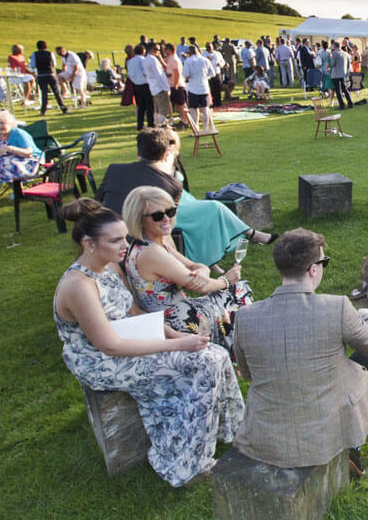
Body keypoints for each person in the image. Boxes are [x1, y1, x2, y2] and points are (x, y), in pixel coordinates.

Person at [52, 198, 243, 487]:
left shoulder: (109, 266)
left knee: (213, 352)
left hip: (129, 337)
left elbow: (134, 312)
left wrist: (175, 334)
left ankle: (228, 429)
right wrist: (175, 346)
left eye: (123, 238)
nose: (122, 246)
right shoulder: (79, 285)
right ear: (89, 244)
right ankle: (185, 463)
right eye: (114, 240)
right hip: (99, 359)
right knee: (205, 361)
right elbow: (109, 346)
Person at [233, 228, 368, 471]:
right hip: (325, 441)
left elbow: (248, 373)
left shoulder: (244, 317)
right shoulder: (338, 307)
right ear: (313, 269)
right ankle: (352, 448)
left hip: (264, 440)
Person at [95, 127, 277, 265]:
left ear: (138, 152)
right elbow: (167, 224)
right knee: (212, 209)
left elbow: (98, 200)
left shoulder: (114, 170)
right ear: (166, 154)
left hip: (106, 234)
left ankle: (248, 236)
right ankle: (235, 241)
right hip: (140, 241)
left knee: (211, 209)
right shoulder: (171, 183)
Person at [120, 186, 254, 351]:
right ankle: (242, 348)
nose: (166, 219)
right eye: (157, 216)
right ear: (139, 219)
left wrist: (202, 271)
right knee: (238, 289)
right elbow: (199, 286)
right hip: (175, 321)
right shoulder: (151, 253)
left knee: (235, 291)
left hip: (177, 310)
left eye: (170, 211)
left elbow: (193, 266)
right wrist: (226, 280)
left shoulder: (154, 243)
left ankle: (239, 346)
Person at [0, 109, 42, 184]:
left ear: (10, 124)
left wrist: (10, 148)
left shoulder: (19, 134)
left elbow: (29, 153)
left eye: (2, 123)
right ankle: (15, 189)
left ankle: (17, 189)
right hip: (4, 161)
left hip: (27, 160)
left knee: (6, 164)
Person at [30, 40, 68, 115]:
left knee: (44, 94)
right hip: (51, 74)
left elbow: (33, 65)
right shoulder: (50, 53)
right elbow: (54, 64)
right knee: (57, 92)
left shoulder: (34, 54)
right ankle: (63, 108)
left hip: (41, 75)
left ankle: (43, 110)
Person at [182, 47, 215, 132]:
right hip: (204, 87)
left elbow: (186, 74)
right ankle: (205, 128)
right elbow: (212, 73)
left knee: (193, 110)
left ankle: (196, 128)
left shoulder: (188, 61)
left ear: (190, 53)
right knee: (205, 109)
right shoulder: (205, 60)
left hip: (193, 88)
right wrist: (205, 77)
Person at [127, 43, 155, 130]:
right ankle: (150, 123)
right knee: (150, 106)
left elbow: (129, 74)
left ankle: (140, 124)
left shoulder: (130, 61)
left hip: (136, 84)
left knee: (141, 106)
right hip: (145, 84)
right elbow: (145, 72)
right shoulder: (143, 60)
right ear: (143, 52)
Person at [143, 42, 170, 126]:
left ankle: (160, 124)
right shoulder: (153, 60)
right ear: (151, 49)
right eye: (157, 50)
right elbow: (159, 75)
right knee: (163, 109)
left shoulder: (146, 59)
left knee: (157, 109)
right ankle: (160, 125)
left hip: (153, 87)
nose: (158, 52)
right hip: (159, 87)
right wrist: (166, 88)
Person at [330, 43, 353, 109]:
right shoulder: (346, 53)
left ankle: (342, 105)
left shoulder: (334, 53)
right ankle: (350, 102)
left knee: (338, 90)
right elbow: (349, 64)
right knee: (344, 89)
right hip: (343, 74)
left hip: (336, 74)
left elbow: (332, 64)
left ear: (334, 46)